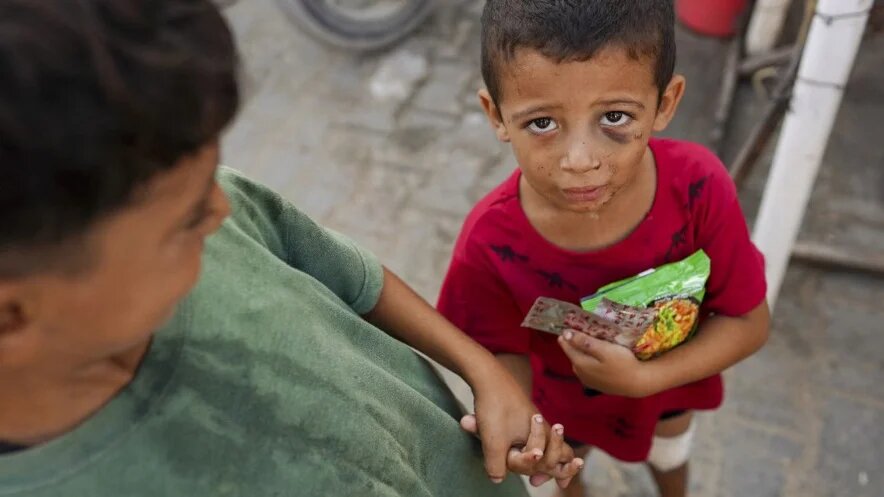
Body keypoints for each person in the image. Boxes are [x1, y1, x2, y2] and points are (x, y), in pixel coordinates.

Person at [0, 0, 584, 495]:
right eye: (183, 221)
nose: (221, 210)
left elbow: (346, 275)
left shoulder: (191, 203)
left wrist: (480, 370)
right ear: (12, 316)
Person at [437, 1, 771, 496]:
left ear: (665, 102)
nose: (580, 160)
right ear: (496, 114)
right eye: (543, 123)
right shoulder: (490, 243)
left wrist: (645, 382)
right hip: (561, 411)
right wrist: (523, 425)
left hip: (672, 386)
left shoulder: (699, 189)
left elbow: (750, 322)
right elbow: (495, 351)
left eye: (614, 116)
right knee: (565, 473)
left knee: (671, 453)